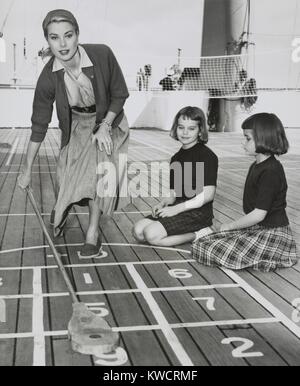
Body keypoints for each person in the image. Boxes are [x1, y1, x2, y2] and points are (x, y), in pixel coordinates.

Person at [18, 9, 130, 258]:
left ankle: (93, 232)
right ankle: (62, 208)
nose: (62, 43)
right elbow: (39, 125)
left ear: (77, 35)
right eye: (54, 37)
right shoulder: (48, 77)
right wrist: (26, 170)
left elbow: (120, 94)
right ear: (47, 41)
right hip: (77, 124)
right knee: (64, 177)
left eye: (68, 35)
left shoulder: (102, 54)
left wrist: (105, 126)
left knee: (97, 171)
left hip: (109, 121)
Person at [192, 113, 298, 272]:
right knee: (201, 244)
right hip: (257, 229)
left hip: (272, 233)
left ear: (264, 138)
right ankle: (259, 255)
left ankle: (272, 256)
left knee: (209, 250)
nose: (243, 143)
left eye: (248, 138)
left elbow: (258, 214)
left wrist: (231, 226)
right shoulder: (256, 165)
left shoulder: (271, 171)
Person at [132, 106, 218, 247]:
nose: (185, 132)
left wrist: (175, 210)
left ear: (200, 130)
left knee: (151, 235)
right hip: (179, 208)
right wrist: (163, 203)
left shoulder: (207, 156)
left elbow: (207, 195)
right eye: (181, 127)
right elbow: (174, 192)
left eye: (191, 128)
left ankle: (200, 233)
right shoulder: (176, 158)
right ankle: (182, 228)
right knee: (138, 231)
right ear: (175, 128)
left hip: (198, 213)